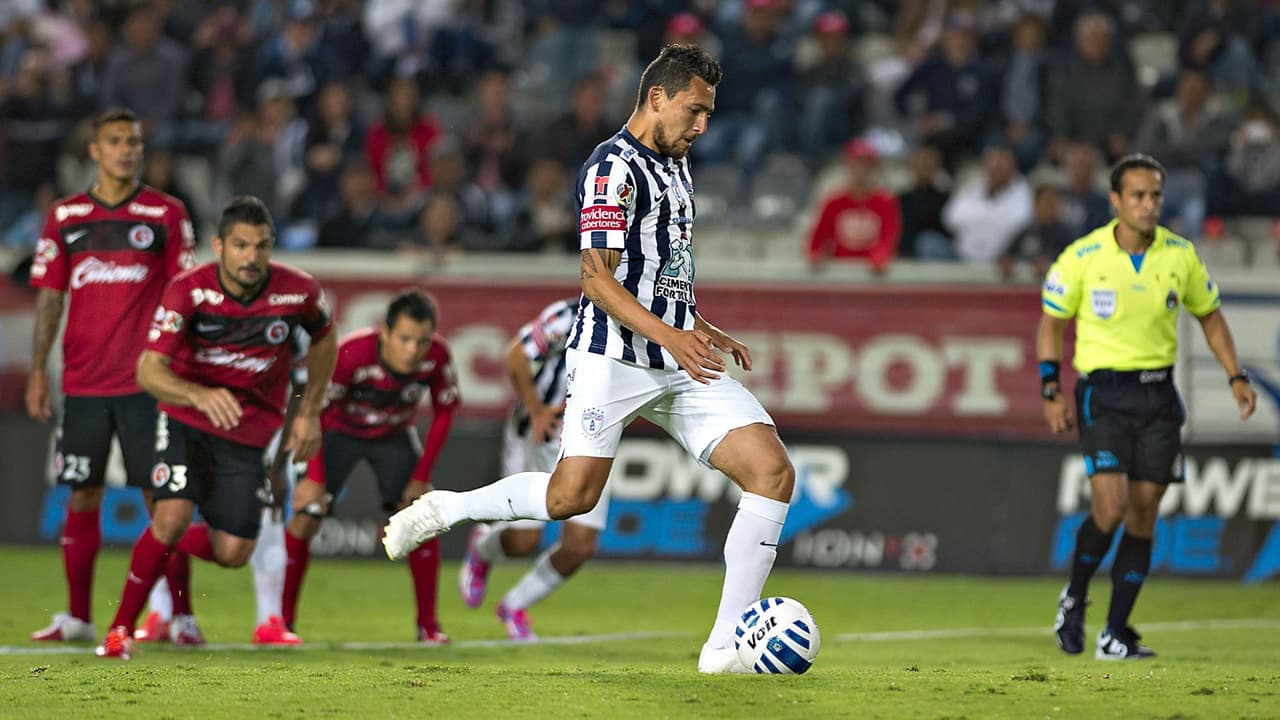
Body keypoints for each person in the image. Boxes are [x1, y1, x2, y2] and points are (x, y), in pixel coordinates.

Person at [384, 44, 795, 674]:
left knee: (772, 473)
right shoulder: (612, 168)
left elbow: (663, 273)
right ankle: (447, 509)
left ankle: (722, 649)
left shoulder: (678, 165)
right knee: (570, 497)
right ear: (657, 97)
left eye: (709, 113)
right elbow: (596, 278)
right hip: (613, 358)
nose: (703, 126)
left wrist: (701, 327)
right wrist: (672, 334)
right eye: (695, 110)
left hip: (677, 357)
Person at [94, 195, 337, 660]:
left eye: (262, 246)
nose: (252, 257)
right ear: (218, 245)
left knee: (233, 552)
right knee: (172, 516)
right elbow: (149, 370)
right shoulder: (189, 290)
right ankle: (119, 631)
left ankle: (161, 537)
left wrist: (309, 412)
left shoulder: (298, 292)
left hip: (248, 434)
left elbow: (325, 338)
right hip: (186, 420)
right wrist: (199, 395)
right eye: (241, 245)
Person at [1039, 154, 1256, 660]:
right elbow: (1051, 322)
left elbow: (1212, 318)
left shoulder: (1180, 256)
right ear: (1115, 200)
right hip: (1104, 394)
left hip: (1158, 396)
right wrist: (1050, 388)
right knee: (1109, 508)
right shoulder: (1082, 256)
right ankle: (1074, 597)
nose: (1149, 204)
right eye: (1137, 195)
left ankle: (1115, 633)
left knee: (1142, 516)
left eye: (1155, 195)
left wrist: (1236, 376)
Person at [27, 107, 197, 644]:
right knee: (82, 495)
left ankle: (181, 616)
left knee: (162, 502)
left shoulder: (166, 214)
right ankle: (78, 617)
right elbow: (51, 299)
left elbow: (187, 298)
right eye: (116, 140)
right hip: (82, 383)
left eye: (135, 140)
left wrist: (184, 374)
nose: (128, 149)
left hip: (149, 385)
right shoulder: (66, 217)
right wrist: (37, 371)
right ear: (94, 151)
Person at [281, 289, 459, 644]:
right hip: (335, 432)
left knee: (421, 515)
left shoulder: (438, 357)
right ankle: (282, 621)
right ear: (386, 333)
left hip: (393, 434)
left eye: (421, 341)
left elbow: (445, 411)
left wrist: (420, 477)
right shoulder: (350, 354)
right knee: (306, 513)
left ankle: (428, 626)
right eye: (405, 339)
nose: (413, 349)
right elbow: (312, 408)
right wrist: (315, 478)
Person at [133, 328, 312, 647]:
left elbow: (300, 384)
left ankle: (270, 620)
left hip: (257, 433)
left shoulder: (288, 310)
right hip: (191, 427)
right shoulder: (199, 300)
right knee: (172, 515)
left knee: (265, 524)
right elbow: (158, 366)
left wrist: (281, 458)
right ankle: (161, 612)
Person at [458, 297, 606, 641]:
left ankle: (513, 606)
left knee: (580, 546)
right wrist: (536, 409)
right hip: (542, 433)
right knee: (524, 540)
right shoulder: (568, 317)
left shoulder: (647, 322)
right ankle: (483, 547)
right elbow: (516, 355)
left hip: (597, 440)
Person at [806, 138, 901, 273]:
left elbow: (888, 237)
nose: (860, 170)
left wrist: (880, 256)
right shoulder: (833, 202)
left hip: (873, 273)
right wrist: (815, 255)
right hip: (840, 271)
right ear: (848, 166)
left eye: (866, 165)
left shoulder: (885, 202)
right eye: (856, 164)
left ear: (873, 169)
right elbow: (818, 238)